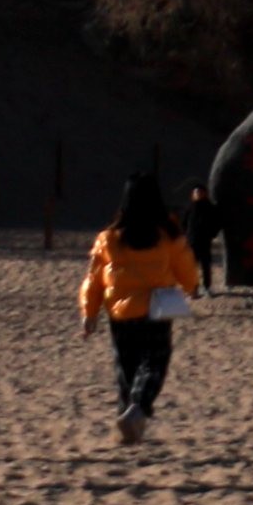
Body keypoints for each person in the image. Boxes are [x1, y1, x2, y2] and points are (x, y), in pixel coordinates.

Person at [78, 171, 206, 446]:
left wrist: (89, 313)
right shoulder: (169, 234)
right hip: (156, 309)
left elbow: (94, 278)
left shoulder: (108, 238)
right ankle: (137, 409)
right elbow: (185, 265)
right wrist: (193, 287)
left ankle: (127, 419)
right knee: (154, 363)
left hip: (119, 313)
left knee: (126, 367)